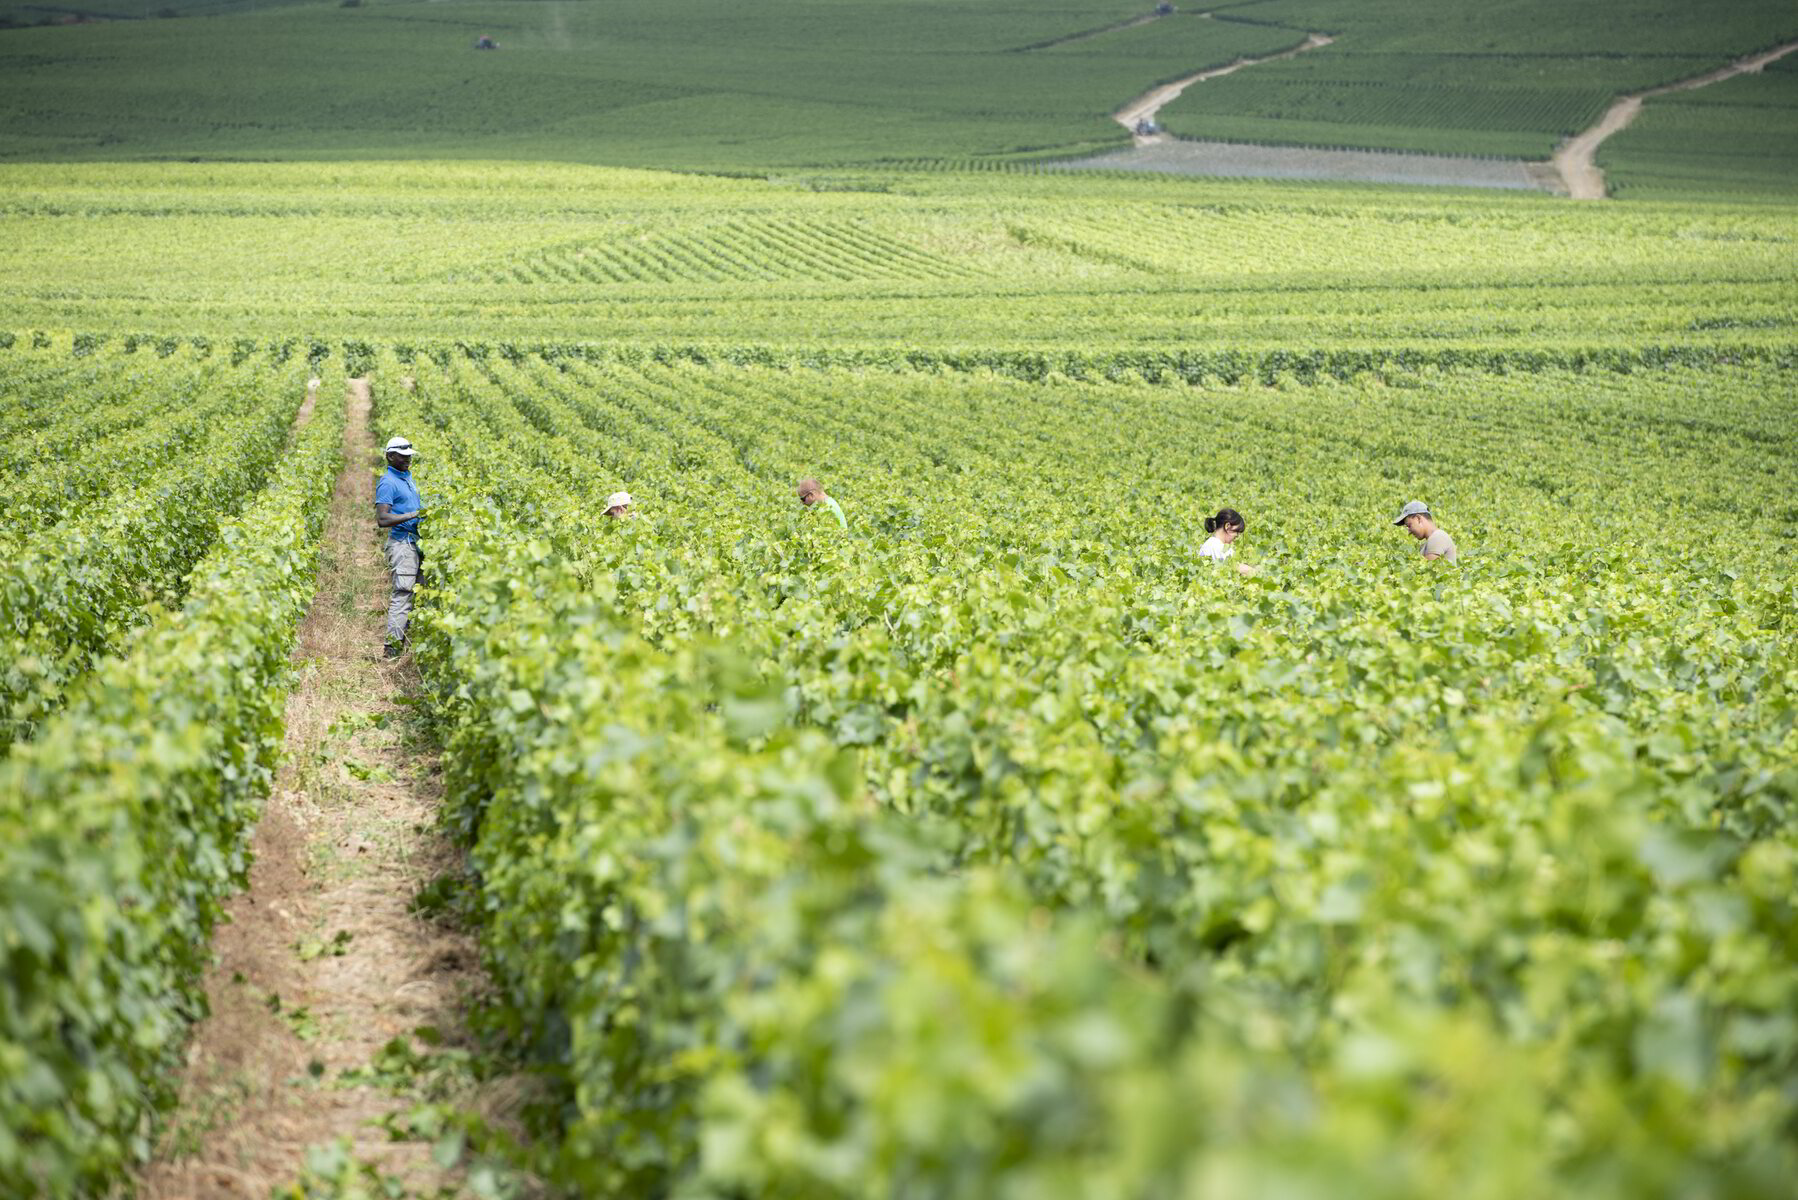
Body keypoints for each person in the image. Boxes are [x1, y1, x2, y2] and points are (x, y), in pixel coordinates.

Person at [374, 436, 426, 657]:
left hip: (415, 544)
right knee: (403, 593)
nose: (407, 460)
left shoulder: (407, 478)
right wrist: (414, 515)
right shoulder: (388, 482)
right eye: (403, 457)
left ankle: (405, 648)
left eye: (409, 457)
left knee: (420, 594)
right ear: (390, 456)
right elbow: (382, 519)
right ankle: (392, 650)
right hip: (402, 544)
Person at [1199, 507, 1256, 576]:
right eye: (1237, 531)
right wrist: (1255, 571)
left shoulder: (1219, 544)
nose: (1237, 536)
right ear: (1227, 526)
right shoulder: (1214, 545)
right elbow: (1235, 567)